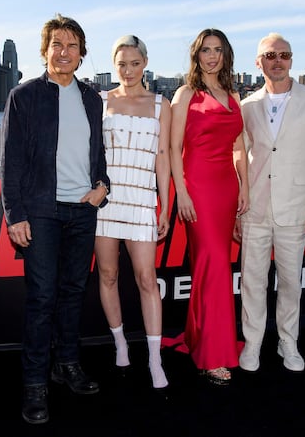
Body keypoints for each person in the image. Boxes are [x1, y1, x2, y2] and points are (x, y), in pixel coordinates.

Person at [0, 13, 110, 425]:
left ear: (81, 55)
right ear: (45, 51)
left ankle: (67, 365)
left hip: (83, 209)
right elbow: (11, 162)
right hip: (42, 211)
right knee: (42, 298)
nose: (64, 52)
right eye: (57, 45)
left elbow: (97, 152)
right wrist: (16, 214)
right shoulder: (24, 96)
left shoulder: (91, 98)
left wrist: (103, 185)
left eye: (72, 46)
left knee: (72, 292)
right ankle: (34, 384)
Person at [235, 32, 305, 373]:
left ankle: (287, 342)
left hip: (296, 209)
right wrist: (238, 209)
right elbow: (240, 161)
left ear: (291, 60)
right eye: (270, 55)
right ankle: (252, 343)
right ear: (258, 62)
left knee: (291, 283)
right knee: (252, 281)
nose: (278, 61)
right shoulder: (246, 106)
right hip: (255, 210)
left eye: (284, 55)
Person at [169, 28, 248, 386]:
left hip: (226, 187)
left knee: (211, 265)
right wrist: (182, 192)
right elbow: (172, 149)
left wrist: (244, 185)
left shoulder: (233, 94)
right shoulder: (186, 94)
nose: (212, 56)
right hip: (197, 186)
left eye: (218, 50)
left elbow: (238, 146)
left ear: (225, 54)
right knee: (214, 263)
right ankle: (212, 354)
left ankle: (202, 335)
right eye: (205, 50)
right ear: (196, 55)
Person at [94, 35, 171, 391]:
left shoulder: (160, 104)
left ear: (145, 63)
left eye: (134, 63)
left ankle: (155, 359)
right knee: (108, 275)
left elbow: (163, 156)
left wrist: (165, 204)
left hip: (142, 200)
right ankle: (120, 344)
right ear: (114, 65)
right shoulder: (100, 101)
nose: (128, 70)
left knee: (146, 280)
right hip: (107, 202)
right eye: (121, 64)